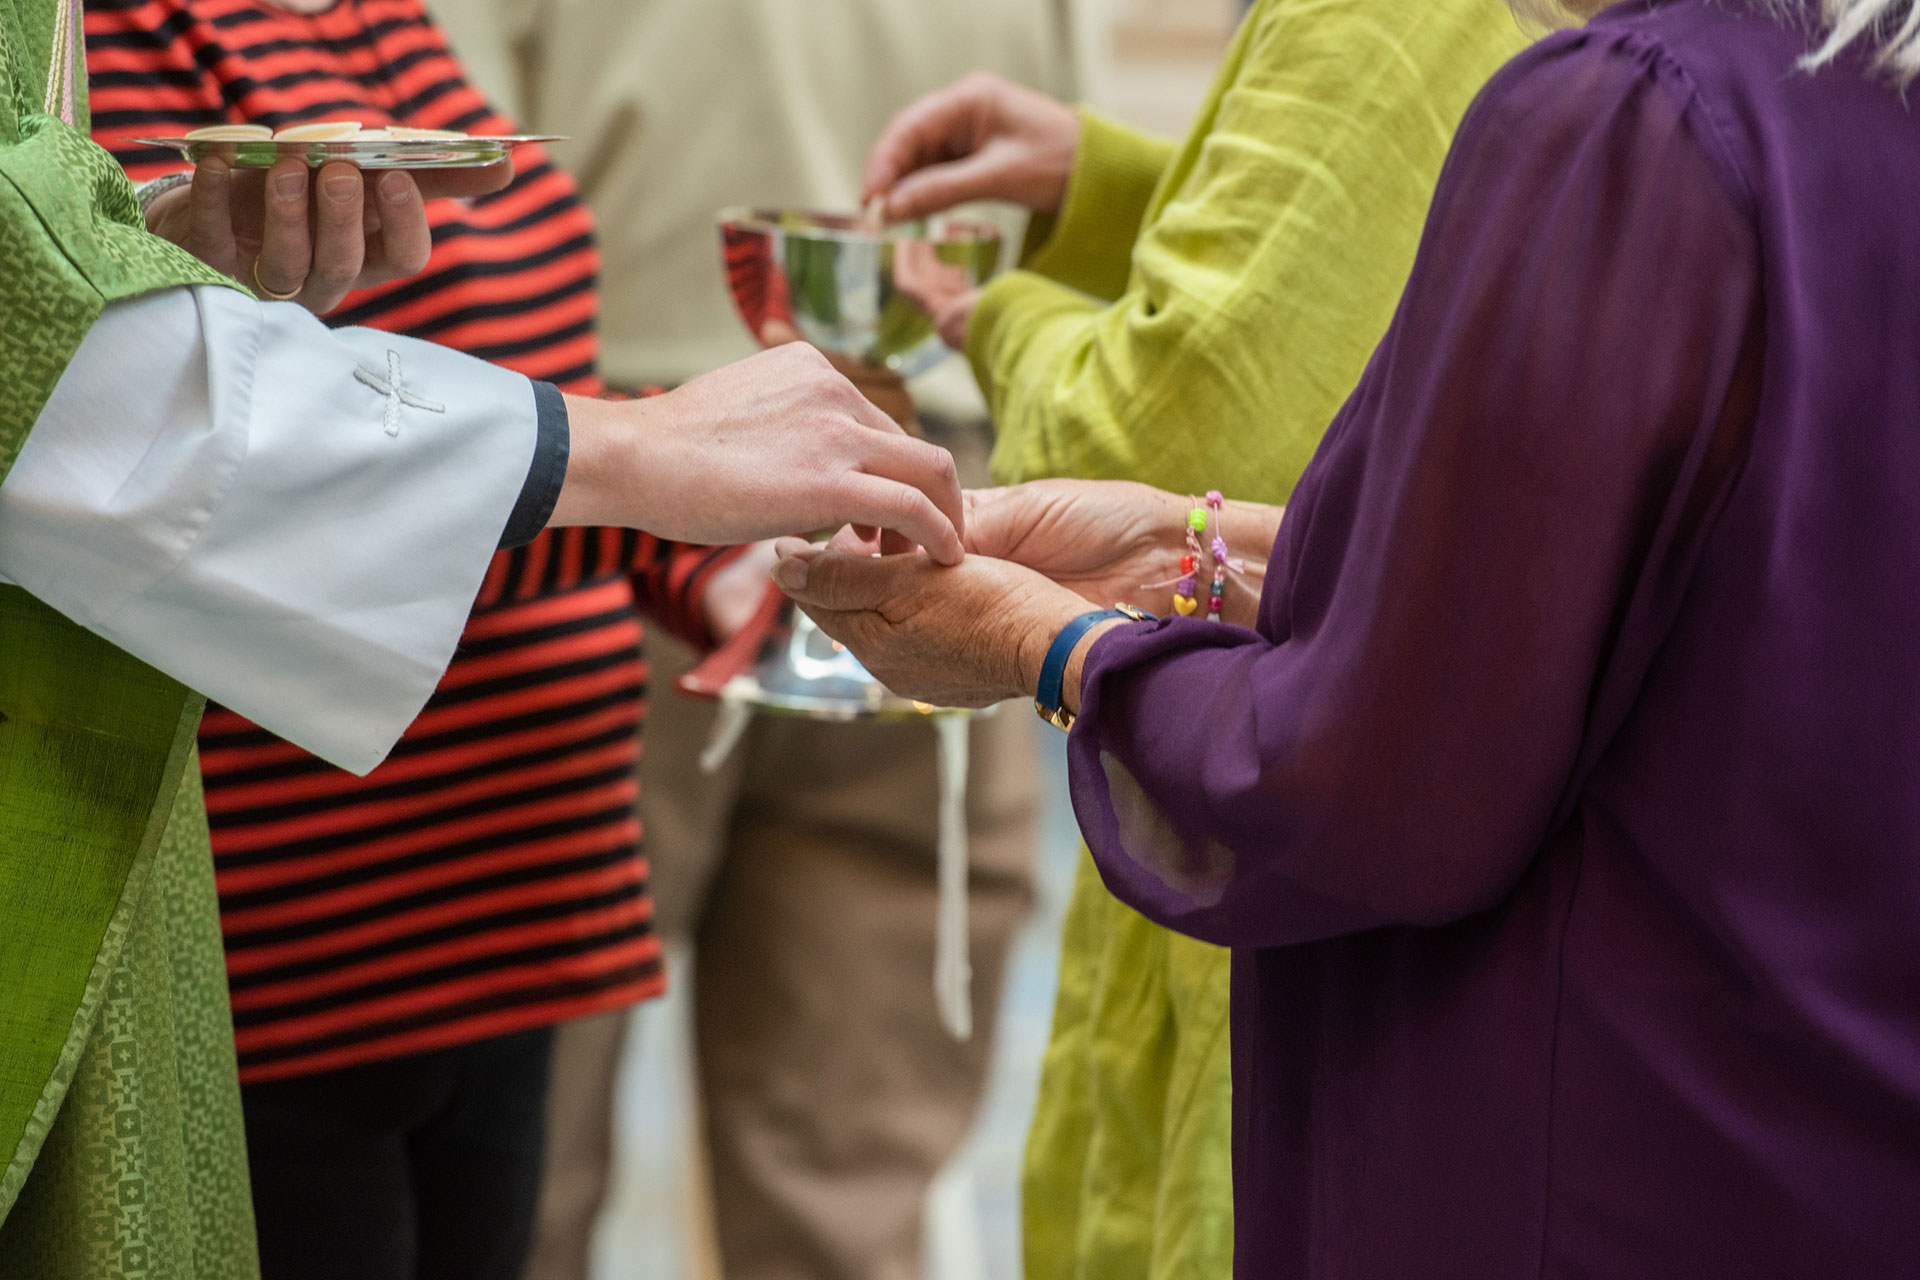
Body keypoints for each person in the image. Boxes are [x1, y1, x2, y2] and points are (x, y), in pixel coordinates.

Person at [775, 0, 1920, 1274]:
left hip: (1602, 1154)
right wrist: (1185, 548)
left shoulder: (1631, 117)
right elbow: (1608, 593)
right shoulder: (1855, 89)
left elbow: (1370, 785)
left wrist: (1053, 649)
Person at [0, 2, 964, 1275]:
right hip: (311, 929)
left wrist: (705, 559)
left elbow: (487, 393)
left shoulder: (379, 16)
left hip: (523, 906)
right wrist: (638, 460)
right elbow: (123, 428)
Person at [857, 3, 1523, 1275]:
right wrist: (1113, 185)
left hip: (1291, 889)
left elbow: (1162, 420)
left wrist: (988, 315)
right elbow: (1383, 248)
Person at [425, 3, 1076, 1275]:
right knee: (825, 1193)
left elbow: (442, 177)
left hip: (672, 475)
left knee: (520, 1173)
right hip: (656, 492)